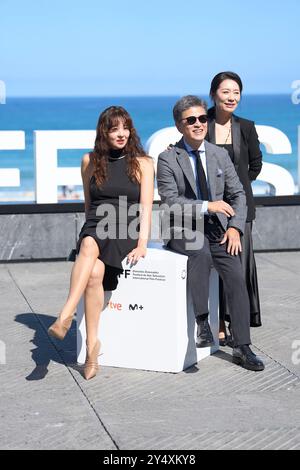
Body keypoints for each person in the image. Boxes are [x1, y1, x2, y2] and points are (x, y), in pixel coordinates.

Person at [157, 95, 264, 372]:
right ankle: (203, 322)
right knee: (200, 251)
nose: (198, 124)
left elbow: (238, 194)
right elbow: (169, 201)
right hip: (182, 228)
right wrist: (208, 205)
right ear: (179, 125)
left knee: (235, 273)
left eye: (202, 118)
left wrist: (235, 228)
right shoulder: (168, 158)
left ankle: (242, 345)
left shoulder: (219, 154)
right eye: (190, 120)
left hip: (218, 228)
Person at [48, 106, 154, 380]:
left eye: (125, 128)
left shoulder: (143, 163)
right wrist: (90, 230)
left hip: (125, 227)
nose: (121, 134)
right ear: (103, 133)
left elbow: (146, 208)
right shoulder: (89, 161)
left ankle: (66, 314)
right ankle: (91, 347)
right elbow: (88, 203)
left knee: (88, 246)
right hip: (96, 224)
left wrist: (143, 243)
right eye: (114, 129)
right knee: (92, 267)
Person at [206, 72, 263, 345]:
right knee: (213, 266)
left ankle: (233, 322)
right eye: (226, 91)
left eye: (236, 92)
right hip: (209, 209)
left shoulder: (247, 127)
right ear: (214, 94)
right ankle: (215, 322)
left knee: (237, 268)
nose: (231, 97)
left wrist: (237, 190)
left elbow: (255, 164)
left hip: (240, 209)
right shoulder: (200, 123)